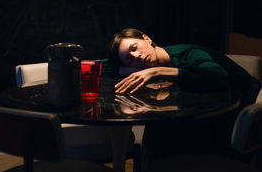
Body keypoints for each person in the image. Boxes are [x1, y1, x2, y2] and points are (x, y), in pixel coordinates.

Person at [105, 28, 261, 164]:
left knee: (166, 132)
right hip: (211, 107)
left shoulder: (189, 53)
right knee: (159, 129)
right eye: (129, 59)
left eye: (135, 47)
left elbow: (217, 75)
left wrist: (157, 72)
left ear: (147, 39)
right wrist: (126, 70)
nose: (137, 56)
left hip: (243, 109)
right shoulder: (142, 63)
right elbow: (104, 65)